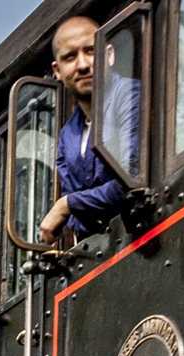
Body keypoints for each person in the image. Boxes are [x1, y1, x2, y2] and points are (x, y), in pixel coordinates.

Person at [38, 16, 139, 246]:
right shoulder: (67, 136)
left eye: (91, 51)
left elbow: (132, 182)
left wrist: (67, 205)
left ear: (109, 54)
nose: (83, 64)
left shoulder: (129, 97)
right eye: (70, 57)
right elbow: (79, 222)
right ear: (58, 70)